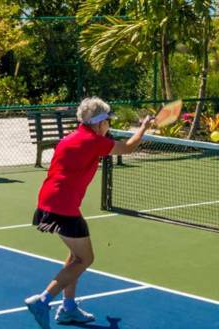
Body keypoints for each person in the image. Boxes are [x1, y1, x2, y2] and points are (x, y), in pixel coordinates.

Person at [24, 97, 152, 328]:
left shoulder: (71, 138)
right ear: (100, 123)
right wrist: (143, 127)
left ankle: (68, 308)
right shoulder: (93, 141)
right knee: (86, 258)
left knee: (75, 256)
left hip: (47, 202)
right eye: (108, 122)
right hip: (64, 207)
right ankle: (42, 300)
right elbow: (129, 147)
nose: (109, 127)